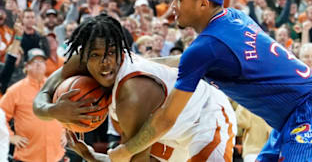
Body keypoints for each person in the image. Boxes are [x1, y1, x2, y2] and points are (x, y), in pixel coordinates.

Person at [102, 0, 312, 161]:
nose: (173, 7)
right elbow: (186, 62)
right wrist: (134, 63)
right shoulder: (234, 17)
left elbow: (166, 119)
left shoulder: (207, 47)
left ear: (203, 3)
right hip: (292, 117)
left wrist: (126, 150)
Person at [33, 14, 237, 161]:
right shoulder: (79, 62)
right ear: (84, 57)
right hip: (166, 132)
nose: (105, 62)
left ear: (121, 53)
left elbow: (133, 158)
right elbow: (41, 97)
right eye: (95, 55)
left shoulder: (132, 92)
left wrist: (96, 159)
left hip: (206, 119)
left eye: (111, 53)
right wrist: (54, 110)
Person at [0, 48, 65, 162]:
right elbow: (1, 115)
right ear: (26, 66)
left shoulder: (55, 87)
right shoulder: (15, 90)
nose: (38, 65)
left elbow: (64, 112)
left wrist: (65, 132)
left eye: (41, 61)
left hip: (56, 154)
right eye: (34, 62)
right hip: (28, 156)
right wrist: (11, 136)